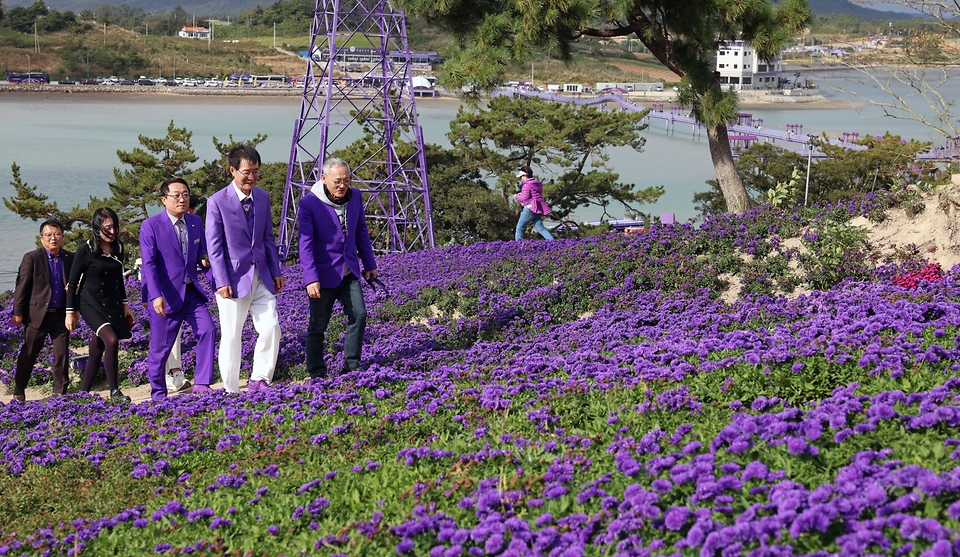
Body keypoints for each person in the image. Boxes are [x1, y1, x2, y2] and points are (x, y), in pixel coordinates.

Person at [205, 145, 284, 393]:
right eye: (246, 172)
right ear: (232, 170)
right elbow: (214, 246)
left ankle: (259, 378)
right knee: (231, 336)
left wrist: (276, 270)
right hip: (232, 279)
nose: (251, 177)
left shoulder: (263, 197)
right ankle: (231, 390)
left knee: (271, 326)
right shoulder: (216, 201)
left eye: (256, 171)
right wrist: (221, 280)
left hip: (261, 275)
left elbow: (268, 238)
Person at [298, 158, 378, 379]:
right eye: (337, 181)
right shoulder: (309, 204)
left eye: (346, 180)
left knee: (359, 314)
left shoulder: (356, 197)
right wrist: (310, 278)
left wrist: (369, 264)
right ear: (324, 179)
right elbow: (305, 244)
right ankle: (316, 372)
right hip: (323, 275)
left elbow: (361, 230)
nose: (342, 185)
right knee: (318, 325)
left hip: (349, 271)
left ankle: (352, 364)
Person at [140, 178, 217, 400]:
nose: (182, 198)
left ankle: (202, 383)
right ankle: (158, 394)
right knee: (160, 349)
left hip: (191, 293)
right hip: (165, 296)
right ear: (164, 199)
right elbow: (149, 264)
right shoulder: (151, 226)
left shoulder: (194, 222)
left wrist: (205, 262)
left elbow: (202, 252)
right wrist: (154, 295)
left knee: (208, 330)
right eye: (176, 195)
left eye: (185, 194)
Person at [65, 208, 134, 402]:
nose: (112, 231)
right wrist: (71, 312)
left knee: (97, 348)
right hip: (89, 303)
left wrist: (125, 305)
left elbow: (118, 280)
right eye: (107, 228)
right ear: (97, 228)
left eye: (114, 226)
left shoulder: (118, 248)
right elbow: (72, 282)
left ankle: (83, 394)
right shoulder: (85, 250)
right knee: (111, 340)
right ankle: (115, 392)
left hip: (111, 303)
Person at [9, 220, 74, 402]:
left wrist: (74, 309)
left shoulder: (70, 258)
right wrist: (18, 312)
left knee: (61, 354)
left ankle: (60, 393)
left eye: (57, 234)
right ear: (41, 238)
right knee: (29, 354)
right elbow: (22, 286)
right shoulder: (32, 257)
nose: (53, 238)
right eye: (49, 235)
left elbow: (76, 286)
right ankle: (19, 389)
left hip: (61, 314)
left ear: (62, 236)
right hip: (37, 315)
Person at [514, 165, 554, 241]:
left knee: (519, 228)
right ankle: (553, 244)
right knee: (541, 229)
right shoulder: (536, 183)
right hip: (537, 208)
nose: (521, 178)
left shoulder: (526, 185)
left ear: (525, 175)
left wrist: (516, 196)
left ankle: (518, 247)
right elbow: (533, 196)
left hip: (529, 209)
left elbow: (524, 198)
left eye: (521, 176)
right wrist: (522, 194)